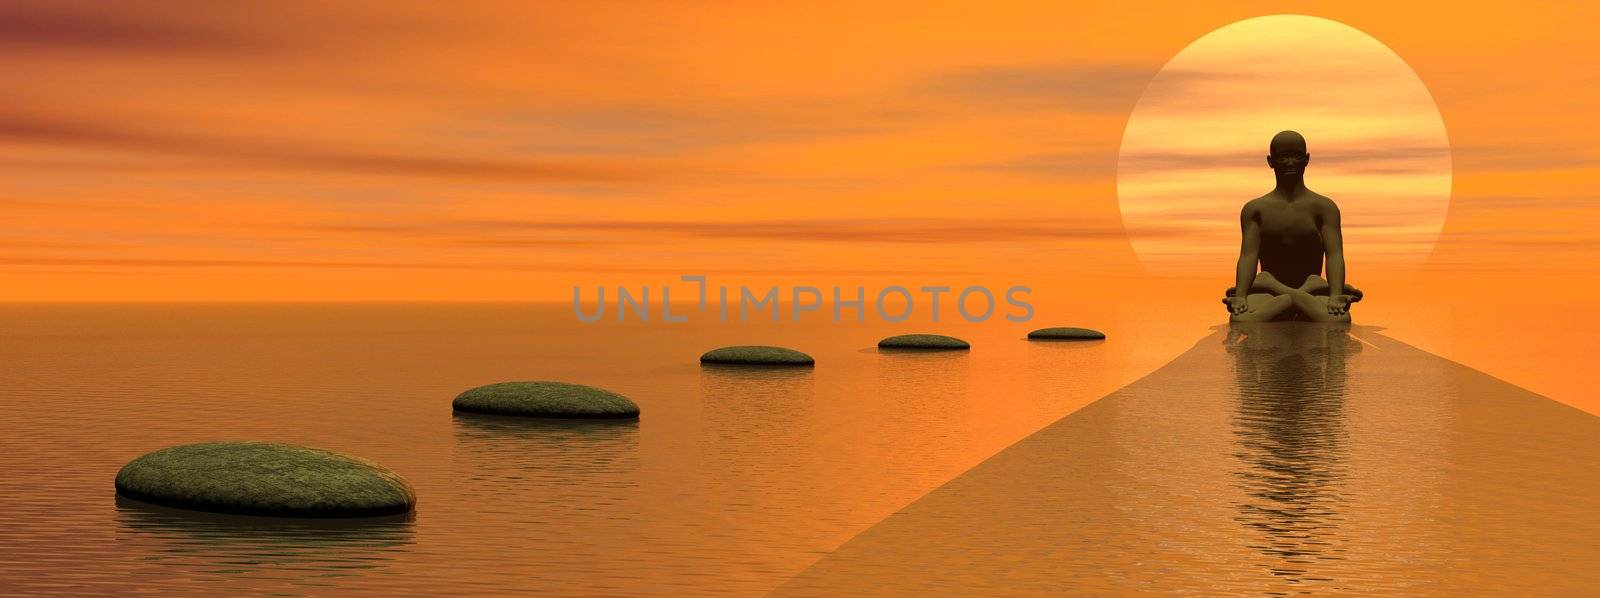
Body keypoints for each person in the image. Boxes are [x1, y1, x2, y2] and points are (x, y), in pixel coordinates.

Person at [1225, 130, 1362, 322]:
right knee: (1241, 318)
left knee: (1338, 319)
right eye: (1283, 157)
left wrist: (1335, 294)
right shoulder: (1255, 209)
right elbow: (1248, 256)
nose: (1290, 163)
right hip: (1272, 296)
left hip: (1293, 291)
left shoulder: (1324, 207)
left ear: (1306, 159)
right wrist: (1240, 296)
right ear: (1270, 161)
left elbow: (1335, 254)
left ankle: (1271, 283)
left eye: (1296, 156)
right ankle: (1311, 286)